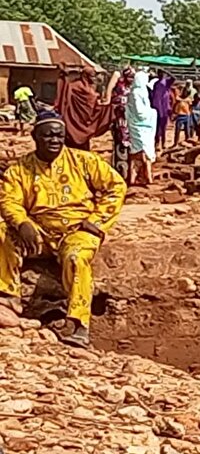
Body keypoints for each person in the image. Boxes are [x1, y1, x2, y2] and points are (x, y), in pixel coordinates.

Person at [0, 112, 126, 345]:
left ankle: (78, 324)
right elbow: (9, 201)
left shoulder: (84, 161)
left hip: (77, 231)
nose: (54, 140)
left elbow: (116, 186)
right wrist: (22, 223)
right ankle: (8, 296)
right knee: (1, 231)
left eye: (59, 135)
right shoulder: (19, 170)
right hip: (38, 233)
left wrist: (96, 221)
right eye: (47, 136)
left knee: (76, 258)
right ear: (34, 137)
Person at [55, 64, 115, 151]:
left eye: (94, 76)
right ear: (85, 76)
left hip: (85, 121)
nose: (93, 78)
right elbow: (65, 96)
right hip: (73, 120)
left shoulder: (89, 88)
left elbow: (93, 106)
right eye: (91, 76)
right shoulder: (74, 86)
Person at [126, 70, 157, 186]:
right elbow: (140, 113)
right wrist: (152, 112)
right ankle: (146, 178)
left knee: (142, 152)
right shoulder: (135, 93)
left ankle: (139, 178)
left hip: (145, 127)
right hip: (139, 125)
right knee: (143, 152)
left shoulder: (142, 91)